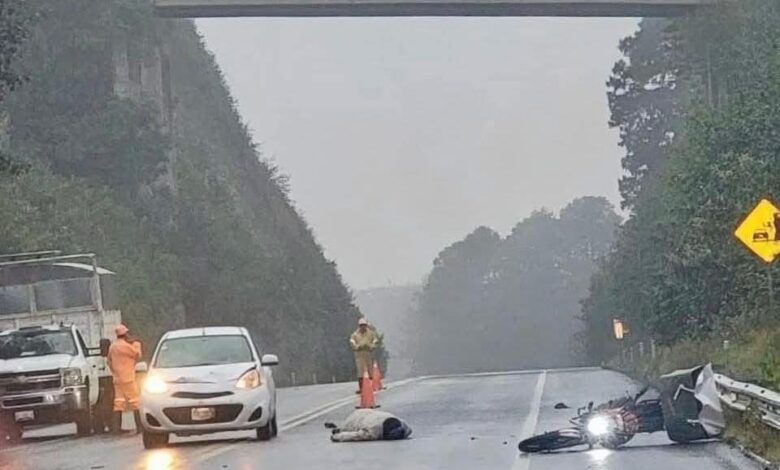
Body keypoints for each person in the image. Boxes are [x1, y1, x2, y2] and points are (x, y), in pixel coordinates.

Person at [106, 324, 142, 434]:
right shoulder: (126, 346)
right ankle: (140, 427)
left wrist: (114, 372)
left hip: (117, 379)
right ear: (125, 334)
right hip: (128, 378)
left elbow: (109, 361)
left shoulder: (113, 346)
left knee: (118, 403)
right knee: (135, 402)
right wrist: (136, 345)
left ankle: (116, 429)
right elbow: (137, 355)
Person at [349, 318, 378, 393]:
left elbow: (375, 341)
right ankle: (362, 388)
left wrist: (371, 346)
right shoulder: (355, 334)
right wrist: (357, 347)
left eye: (364, 325)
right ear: (359, 326)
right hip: (359, 354)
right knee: (360, 371)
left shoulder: (371, 333)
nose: (363, 327)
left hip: (368, 353)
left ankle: (371, 386)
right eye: (361, 325)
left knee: (370, 370)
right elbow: (352, 342)